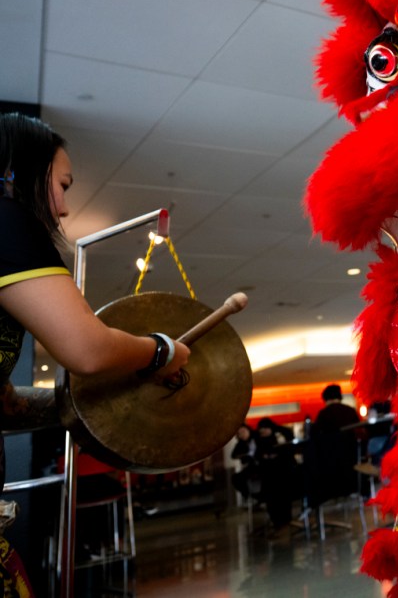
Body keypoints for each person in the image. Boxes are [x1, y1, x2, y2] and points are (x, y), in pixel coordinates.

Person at [0, 113, 192, 586]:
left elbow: (5, 404)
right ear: (22, 170)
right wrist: (161, 351)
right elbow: (87, 349)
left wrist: (99, 399)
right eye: (62, 184)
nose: (63, 208)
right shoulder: (6, 217)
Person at [254, 417, 300, 534]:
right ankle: (281, 522)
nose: (263, 432)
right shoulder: (264, 440)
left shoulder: (279, 437)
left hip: (278, 474)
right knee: (276, 498)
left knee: (279, 497)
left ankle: (281, 522)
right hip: (275, 475)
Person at [230, 424, 260, 501]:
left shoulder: (258, 437)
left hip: (262, 464)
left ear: (248, 430)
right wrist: (244, 456)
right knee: (236, 478)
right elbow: (233, 455)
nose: (242, 435)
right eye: (239, 433)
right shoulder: (241, 444)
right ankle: (249, 496)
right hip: (251, 467)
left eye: (243, 431)